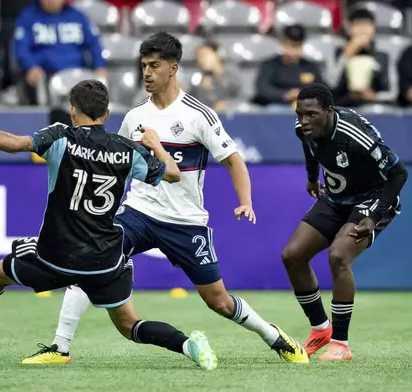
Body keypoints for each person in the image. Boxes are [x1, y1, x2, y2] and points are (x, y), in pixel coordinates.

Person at [24, 31, 309, 366]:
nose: (146, 72)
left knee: (218, 301)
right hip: (138, 212)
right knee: (91, 261)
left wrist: (245, 200)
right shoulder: (134, 118)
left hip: (185, 221)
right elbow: (114, 162)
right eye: (143, 65)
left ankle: (274, 337)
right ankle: (60, 348)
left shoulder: (197, 114)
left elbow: (234, 160)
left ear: (173, 68)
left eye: (154, 65)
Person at [0, 79, 219, 371]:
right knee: (129, 325)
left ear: (73, 111)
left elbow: (14, 143)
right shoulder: (128, 150)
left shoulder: (61, 137)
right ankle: (188, 345)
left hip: (56, 256)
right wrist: (156, 145)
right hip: (105, 260)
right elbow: (173, 174)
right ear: (107, 114)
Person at [282, 83, 408, 360]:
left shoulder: (354, 135)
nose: (303, 121)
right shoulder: (302, 128)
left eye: (311, 114)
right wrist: (313, 177)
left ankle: (340, 343)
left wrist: (374, 215)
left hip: (372, 197)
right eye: (299, 114)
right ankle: (320, 329)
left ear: (329, 111)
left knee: (339, 256)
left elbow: (399, 173)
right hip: (337, 198)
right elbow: (309, 147)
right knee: (292, 255)